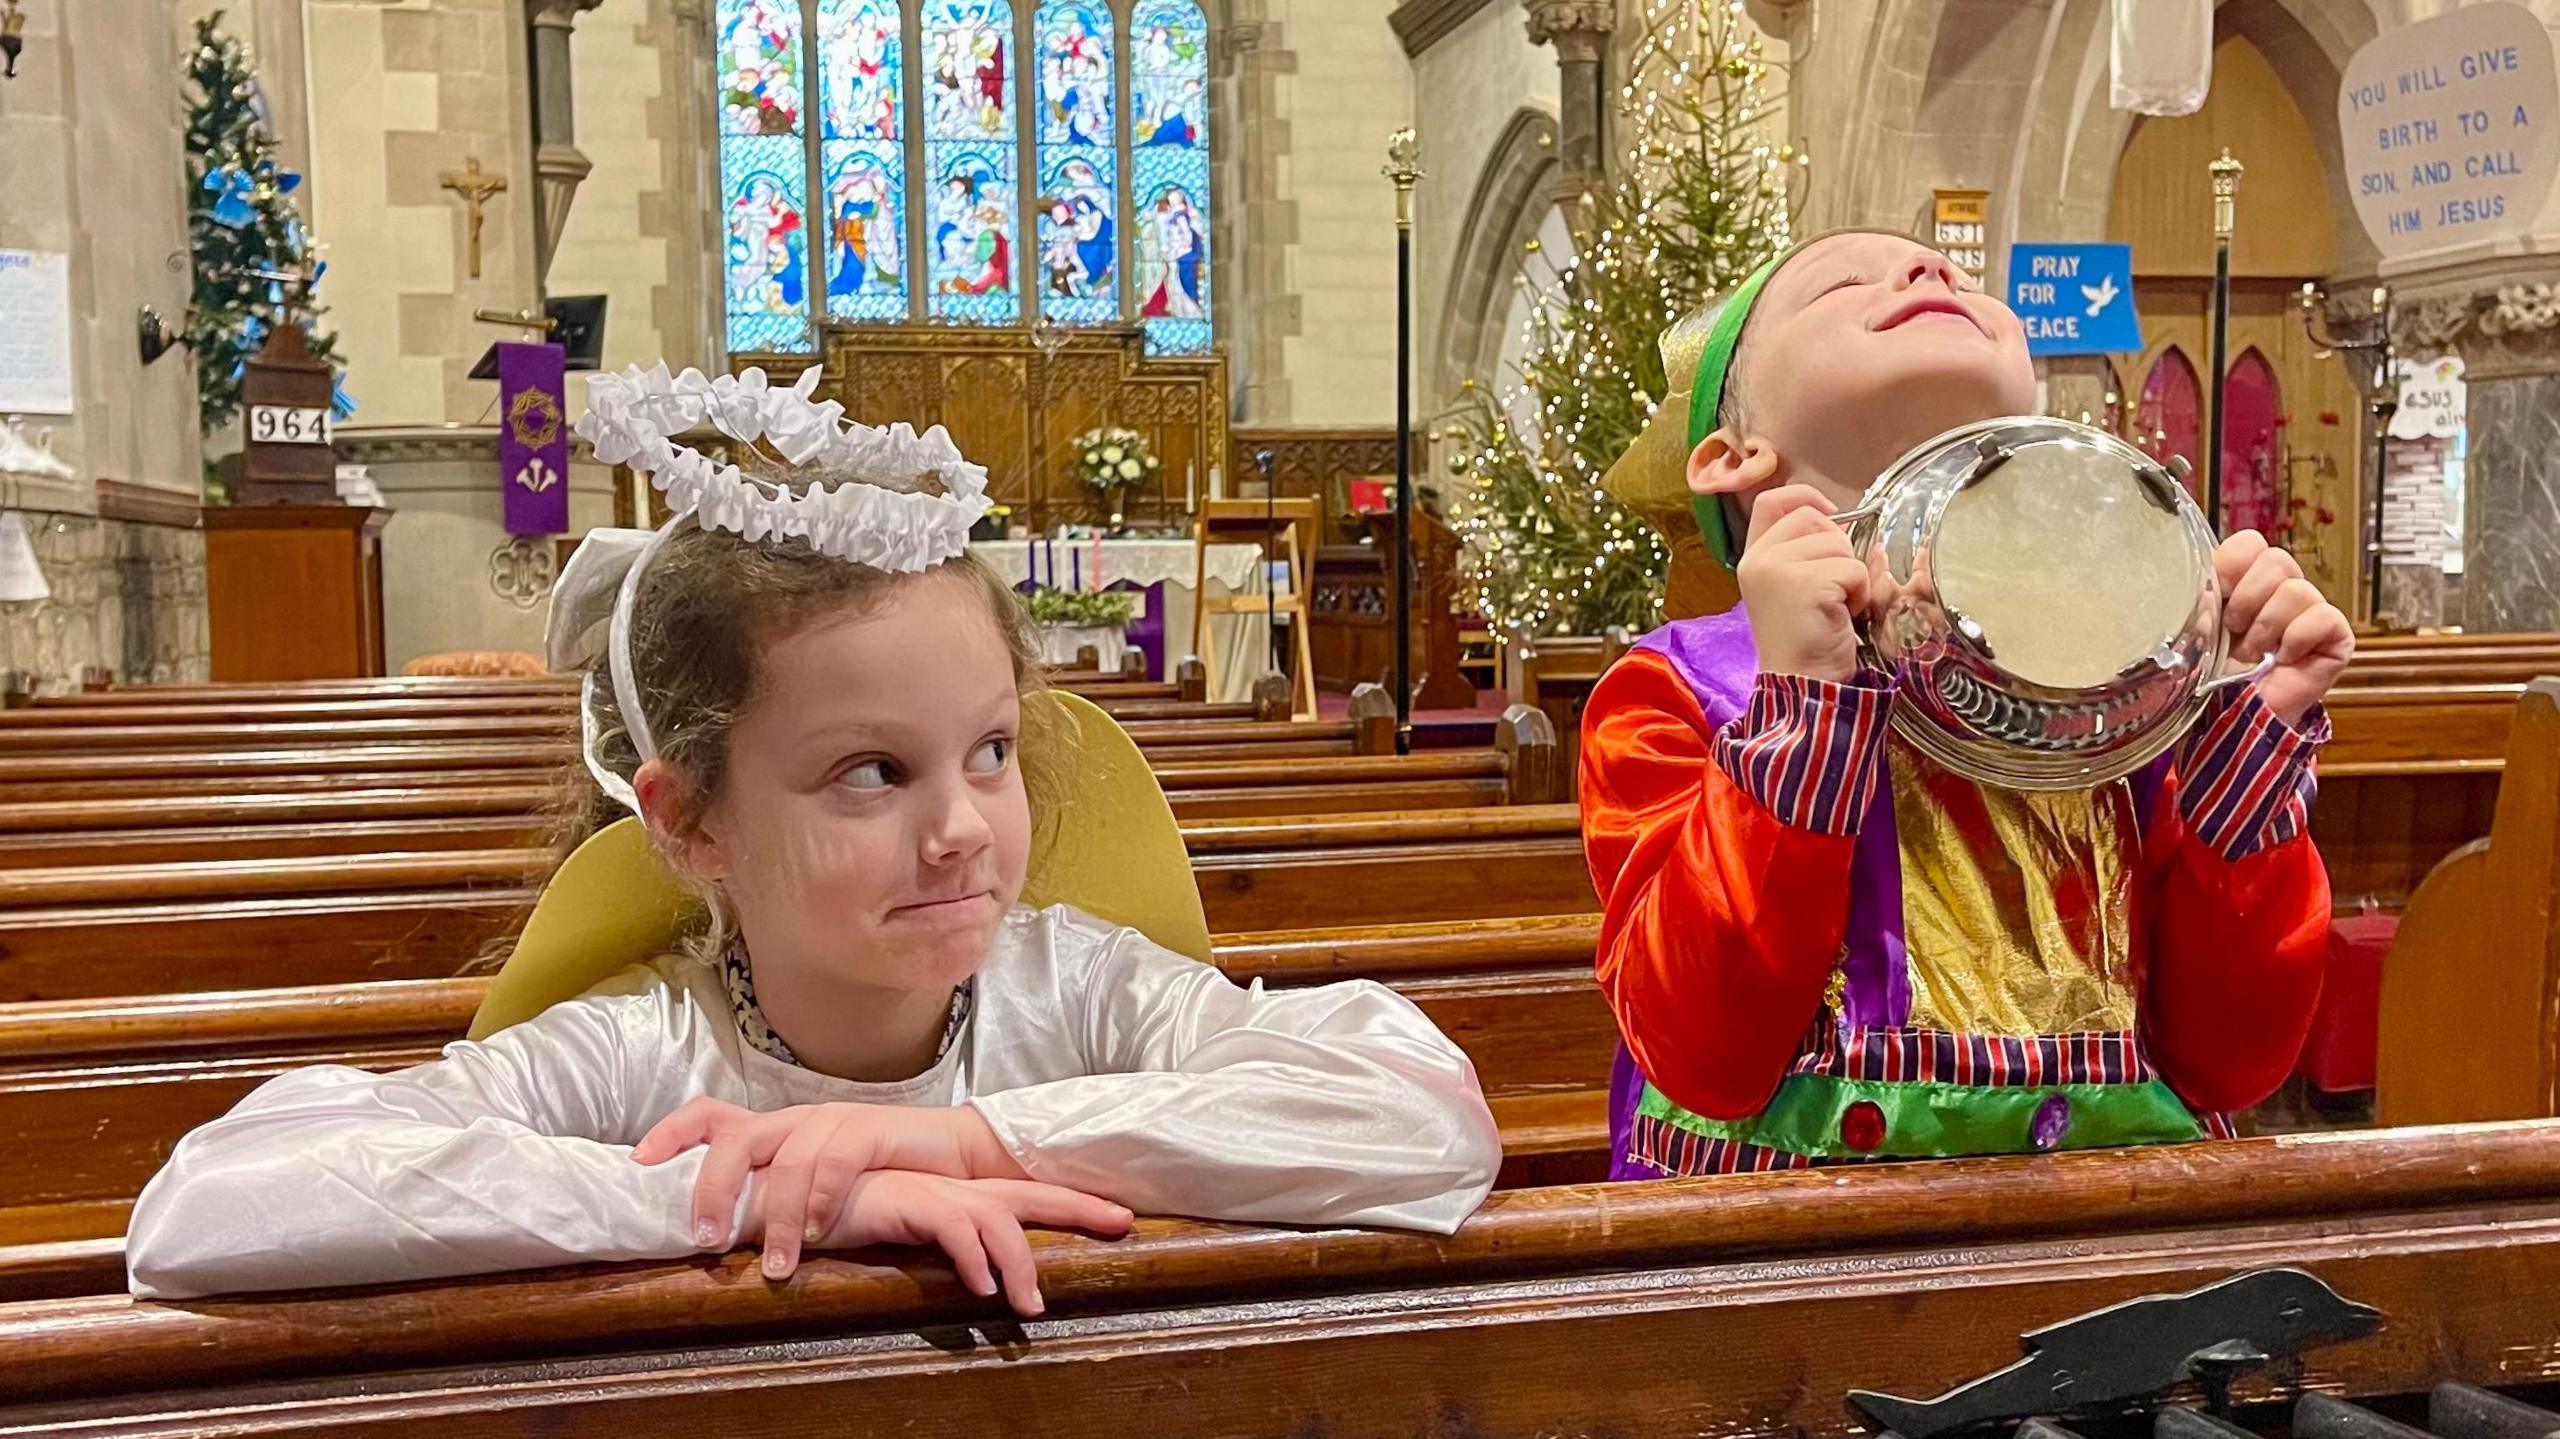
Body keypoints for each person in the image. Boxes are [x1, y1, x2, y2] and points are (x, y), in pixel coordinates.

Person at [125, 364, 1502, 1306]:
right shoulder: (645, 1050)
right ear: (690, 820)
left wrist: (969, 1141)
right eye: (869, 772)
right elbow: (213, 1204)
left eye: (993, 751)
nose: (962, 827)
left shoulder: (1073, 987)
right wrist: (750, 1198)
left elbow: (1425, 1115)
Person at [1583, 229, 2352, 1177]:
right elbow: (1705, 1052)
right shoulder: (1684, 689)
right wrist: (1801, 701)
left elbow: (2232, 1060)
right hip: (1790, 1257)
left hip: (2100, 1238)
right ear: (1730, 456)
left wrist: (2248, 720)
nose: (1931, 271)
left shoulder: (2132, 676)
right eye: (1842, 282)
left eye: (1960, 277)